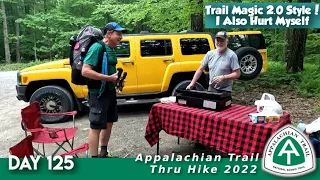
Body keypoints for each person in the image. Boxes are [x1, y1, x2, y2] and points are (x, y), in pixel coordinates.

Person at [81, 22, 127, 158]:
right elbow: (85, 71)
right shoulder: (97, 48)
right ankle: (95, 161)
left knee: (109, 122)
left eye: (121, 34)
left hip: (109, 91)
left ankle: (103, 152)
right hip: (98, 93)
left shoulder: (110, 49)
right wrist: (108, 78)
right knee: (96, 126)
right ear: (108, 34)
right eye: (118, 34)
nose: (121, 37)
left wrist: (117, 81)